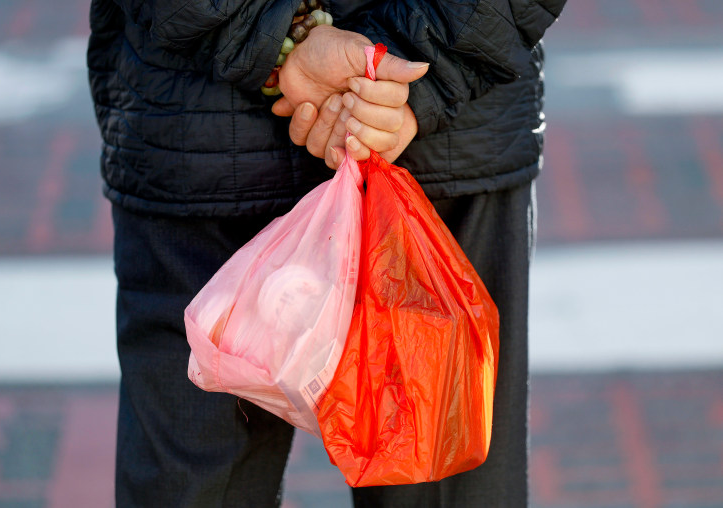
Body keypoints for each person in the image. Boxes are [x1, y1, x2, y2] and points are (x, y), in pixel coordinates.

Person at [87, 0, 566, 506]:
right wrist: (408, 73)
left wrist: (281, 38)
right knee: (435, 459)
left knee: (194, 474)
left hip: (201, 125)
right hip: (442, 135)